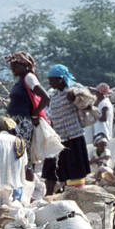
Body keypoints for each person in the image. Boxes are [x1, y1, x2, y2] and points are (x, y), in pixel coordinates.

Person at [43, 64, 92, 193]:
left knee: (75, 171)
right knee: (50, 169)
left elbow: (88, 104)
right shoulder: (53, 94)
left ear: (60, 79)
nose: (49, 82)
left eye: (52, 79)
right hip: (58, 137)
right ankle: (49, 194)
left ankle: (76, 194)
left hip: (73, 137)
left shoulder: (74, 90)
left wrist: (76, 98)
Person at [4, 52, 50, 175]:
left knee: (22, 155)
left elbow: (45, 97)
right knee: (16, 155)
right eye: (12, 65)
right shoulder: (21, 80)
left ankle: (26, 183)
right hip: (16, 122)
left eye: (16, 65)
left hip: (23, 123)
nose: (12, 68)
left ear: (25, 66)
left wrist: (34, 114)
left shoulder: (29, 78)